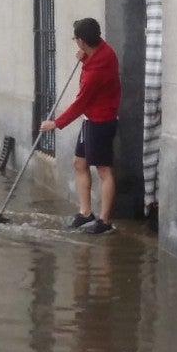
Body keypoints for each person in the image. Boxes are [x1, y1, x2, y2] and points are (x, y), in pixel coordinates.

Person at [40, 18, 120, 235]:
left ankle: (104, 221)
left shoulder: (98, 67)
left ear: (82, 41)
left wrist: (56, 123)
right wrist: (85, 60)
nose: (76, 42)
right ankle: (86, 213)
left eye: (76, 38)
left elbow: (80, 101)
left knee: (103, 169)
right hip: (90, 119)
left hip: (101, 121)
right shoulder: (100, 51)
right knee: (79, 163)